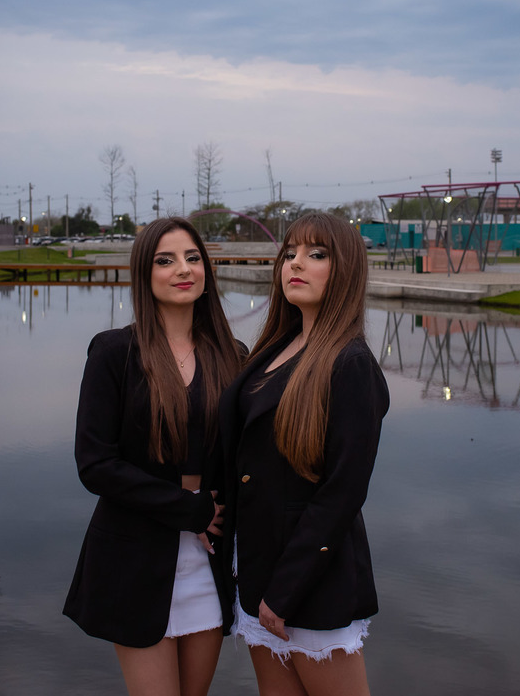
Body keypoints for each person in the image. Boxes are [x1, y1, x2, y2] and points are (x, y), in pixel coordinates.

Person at [64, 217, 244, 696]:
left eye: (192, 257)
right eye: (165, 260)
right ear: (145, 274)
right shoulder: (114, 353)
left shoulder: (232, 355)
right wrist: (190, 510)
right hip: (135, 556)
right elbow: (95, 464)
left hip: (208, 556)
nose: (182, 269)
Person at [220, 212, 389, 696]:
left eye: (316, 255)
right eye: (290, 253)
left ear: (345, 271)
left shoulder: (350, 363)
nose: (296, 264)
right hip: (255, 571)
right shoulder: (275, 346)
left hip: (308, 584)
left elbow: (342, 493)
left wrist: (283, 591)